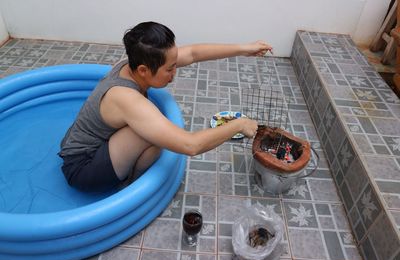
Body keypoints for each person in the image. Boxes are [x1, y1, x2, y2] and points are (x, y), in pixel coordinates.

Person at [58, 21, 273, 192]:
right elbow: (190, 145)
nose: (175, 72)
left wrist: (245, 48)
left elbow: (194, 53)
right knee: (150, 132)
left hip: (89, 144)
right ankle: (131, 190)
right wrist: (238, 125)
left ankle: (132, 178)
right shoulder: (126, 99)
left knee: (154, 126)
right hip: (82, 168)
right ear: (143, 70)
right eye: (170, 69)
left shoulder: (131, 63)